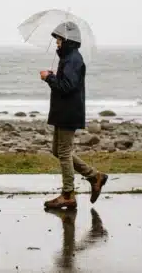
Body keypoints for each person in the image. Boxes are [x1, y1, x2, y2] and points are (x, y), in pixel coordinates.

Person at [39, 22, 107, 210]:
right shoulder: (68, 58)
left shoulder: (73, 60)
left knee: (64, 152)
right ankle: (95, 176)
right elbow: (67, 83)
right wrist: (54, 76)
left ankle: (68, 194)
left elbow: (67, 87)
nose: (57, 43)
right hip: (64, 111)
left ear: (68, 41)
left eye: (59, 40)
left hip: (68, 112)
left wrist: (49, 78)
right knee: (58, 150)